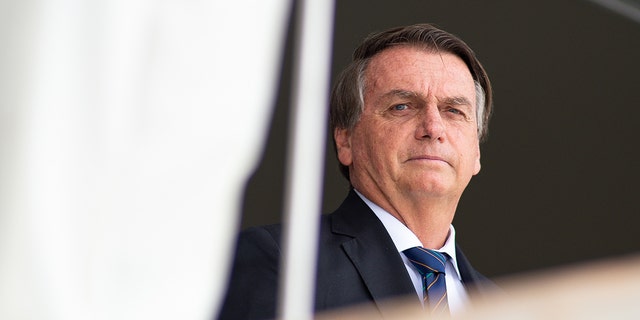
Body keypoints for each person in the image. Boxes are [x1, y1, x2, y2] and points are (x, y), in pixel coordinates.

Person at [218, 23, 496, 319]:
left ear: (476, 152)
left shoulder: (506, 305)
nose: (433, 128)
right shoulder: (285, 264)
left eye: (454, 111)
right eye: (402, 106)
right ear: (346, 139)